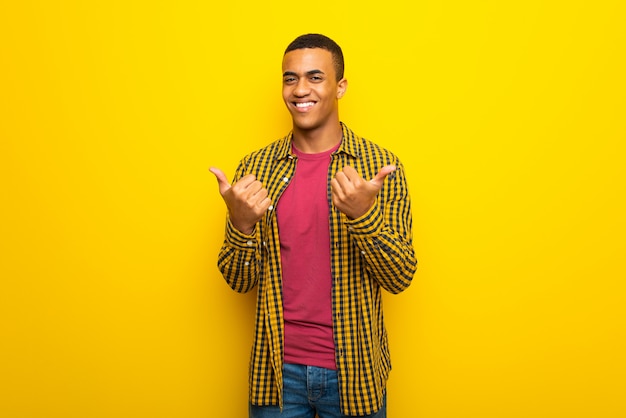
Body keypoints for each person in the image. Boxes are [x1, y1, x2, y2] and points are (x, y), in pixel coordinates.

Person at [210, 33, 417, 418]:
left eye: (315, 77)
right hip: (275, 376)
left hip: (355, 374)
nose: (300, 89)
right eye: (290, 78)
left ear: (340, 87)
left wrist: (363, 216)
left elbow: (400, 277)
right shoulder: (255, 169)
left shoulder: (379, 168)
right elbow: (239, 282)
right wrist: (241, 227)